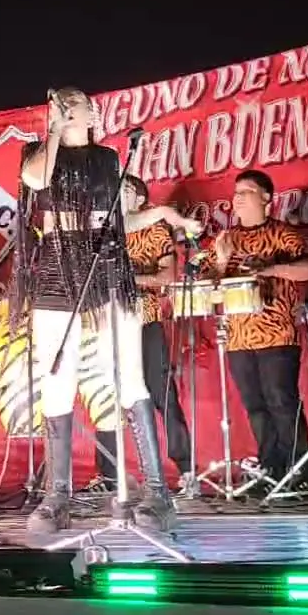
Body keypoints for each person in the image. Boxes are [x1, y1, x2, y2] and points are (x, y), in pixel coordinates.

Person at [16, 86, 198, 534]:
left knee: (129, 376)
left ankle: (157, 491)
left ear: (92, 114)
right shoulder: (38, 154)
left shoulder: (108, 159)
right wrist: (54, 130)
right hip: (57, 271)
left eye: (71, 104)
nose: (64, 110)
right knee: (57, 380)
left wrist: (164, 215)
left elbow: (118, 221)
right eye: (57, 106)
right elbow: (36, 181)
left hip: (108, 270)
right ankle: (58, 496)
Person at [201, 169, 308, 488]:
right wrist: (222, 261)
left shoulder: (282, 234)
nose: (238, 198)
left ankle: (299, 471)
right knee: (255, 407)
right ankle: (270, 471)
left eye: (246, 191)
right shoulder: (226, 239)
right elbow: (207, 287)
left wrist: (270, 268)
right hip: (238, 337)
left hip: (277, 332)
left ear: (266, 198)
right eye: (235, 193)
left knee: (281, 401)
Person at [91, 175, 195, 491]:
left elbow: (168, 275)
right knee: (106, 397)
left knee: (160, 393)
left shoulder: (153, 229)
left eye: (124, 190)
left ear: (139, 199)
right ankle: (108, 475)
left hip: (144, 320)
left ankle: (186, 468)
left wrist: (128, 279)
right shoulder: (103, 230)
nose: (116, 195)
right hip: (107, 323)